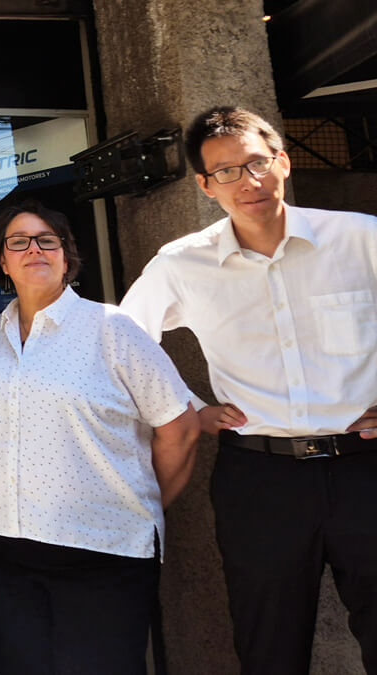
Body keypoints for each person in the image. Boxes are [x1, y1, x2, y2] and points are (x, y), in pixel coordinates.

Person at [120, 106, 377, 674]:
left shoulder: (361, 239)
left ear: (282, 162)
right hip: (261, 482)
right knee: (269, 650)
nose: (248, 182)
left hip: (367, 468)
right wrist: (188, 409)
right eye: (227, 171)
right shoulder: (182, 263)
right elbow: (121, 345)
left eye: (257, 163)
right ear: (205, 186)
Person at [0, 200, 199, 674]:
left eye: (47, 240)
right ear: (1, 262)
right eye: (19, 242)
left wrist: (145, 502)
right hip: (2, 552)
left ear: (67, 256)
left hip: (102, 555)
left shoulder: (112, 329)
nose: (35, 250)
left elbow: (180, 426)